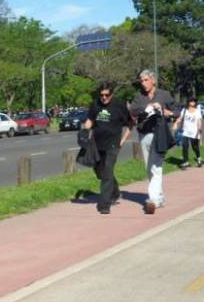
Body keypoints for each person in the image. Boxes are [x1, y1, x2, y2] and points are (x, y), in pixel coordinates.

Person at [130, 70, 179, 214]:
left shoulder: (164, 95)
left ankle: (153, 200)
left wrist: (165, 111)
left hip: (160, 135)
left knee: (156, 167)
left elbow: (176, 111)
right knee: (149, 167)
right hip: (144, 134)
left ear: (153, 80)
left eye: (146, 80)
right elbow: (132, 110)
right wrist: (146, 108)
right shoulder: (139, 96)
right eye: (142, 81)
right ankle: (160, 197)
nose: (143, 83)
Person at [84, 82, 132, 214]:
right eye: (101, 95)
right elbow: (90, 120)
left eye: (107, 95)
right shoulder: (95, 104)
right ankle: (115, 192)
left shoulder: (119, 105)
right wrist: (84, 131)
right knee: (100, 172)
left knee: (107, 172)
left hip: (113, 144)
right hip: (97, 143)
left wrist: (122, 141)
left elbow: (130, 124)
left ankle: (104, 204)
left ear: (112, 94)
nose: (104, 98)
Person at [173, 97, 202, 169]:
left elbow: (199, 121)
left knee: (195, 147)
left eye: (194, 101)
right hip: (185, 132)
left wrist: (199, 129)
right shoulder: (184, 110)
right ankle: (186, 162)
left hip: (194, 132)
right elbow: (180, 118)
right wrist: (176, 123)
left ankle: (199, 159)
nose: (193, 102)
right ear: (188, 102)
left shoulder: (197, 111)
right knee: (185, 147)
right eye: (192, 101)